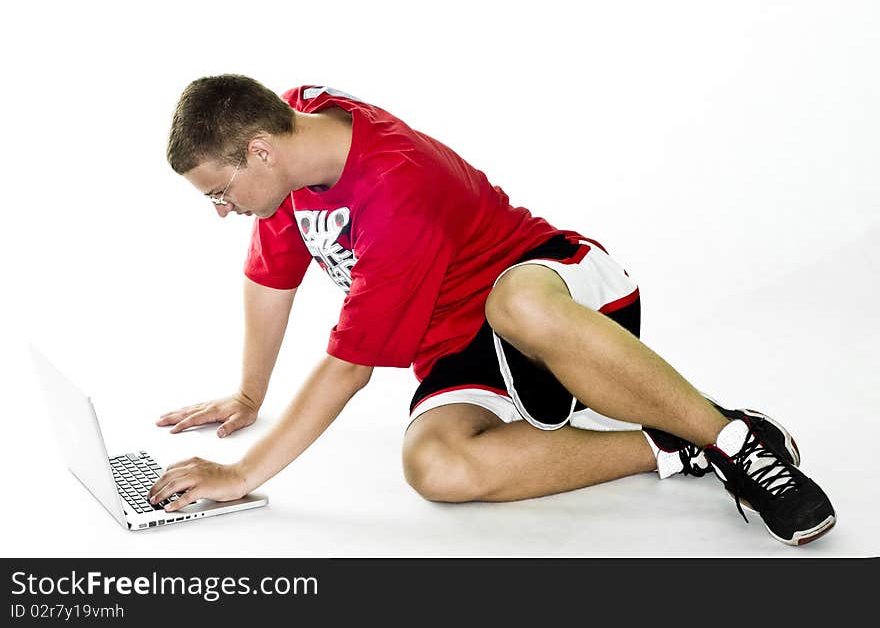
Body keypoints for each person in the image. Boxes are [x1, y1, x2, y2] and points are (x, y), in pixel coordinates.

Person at [149, 74, 835, 546]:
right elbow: (271, 274)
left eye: (220, 190)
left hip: (559, 289)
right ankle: (669, 442)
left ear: (260, 150)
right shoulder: (291, 137)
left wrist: (241, 475)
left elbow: (347, 369)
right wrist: (248, 392)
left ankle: (735, 441)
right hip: (464, 342)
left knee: (515, 304)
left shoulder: (395, 192)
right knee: (435, 468)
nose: (222, 209)